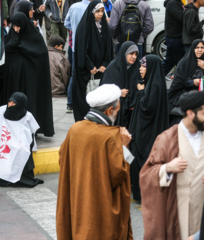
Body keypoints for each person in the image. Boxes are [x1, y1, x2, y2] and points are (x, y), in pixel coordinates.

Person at [56, 84, 133, 239]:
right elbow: (119, 172)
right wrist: (124, 147)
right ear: (110, 110)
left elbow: (62, 158)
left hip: (78, 199)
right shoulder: (111, 137)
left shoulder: (75, 129)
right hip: (99, 205)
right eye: (117, 110)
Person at [140, 91, 204, 240]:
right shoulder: (167, 138)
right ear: (190, 114)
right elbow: (146, 174)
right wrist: (167, 168)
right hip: (178, 210)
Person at [2, 12, 54, 137]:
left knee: (31, 103)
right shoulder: (10, 38)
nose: (16, 29)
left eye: (18, 26)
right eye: (13, 26)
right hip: (15, 81)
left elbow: (40, 56)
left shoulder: (35, 38)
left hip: (31, 82)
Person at [128, 55, 169, 203]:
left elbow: (148, 107)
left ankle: (145, 194)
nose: (140, 68)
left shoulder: (155, 85)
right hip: (146, 130)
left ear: (151, 67)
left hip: (148, 133)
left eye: (143, 66)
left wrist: (141, 91)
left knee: (143, 159)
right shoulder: (150, 82)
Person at [0, 92, 43, 187]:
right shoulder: (0, 112)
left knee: (22, 150)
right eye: (10, 102)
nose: (10, 105)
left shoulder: (27, 116)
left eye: (14, 103)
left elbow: (32, 132)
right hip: (3, 140)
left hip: (19, 142)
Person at [72, 0, 113, 122]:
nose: (100, 14)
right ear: (92, 12)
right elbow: (81, 50)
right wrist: (90, 66)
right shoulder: (83, 27)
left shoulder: (104, 27)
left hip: (101, 69)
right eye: (97, 11)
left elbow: (108, 48)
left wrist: (105, 64)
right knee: (84, 96)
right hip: (86, 69)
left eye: (102, 11)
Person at [100, 41, 140, 128]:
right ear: (124, 53)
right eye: (131, 54)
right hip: (115, 113)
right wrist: (117, 92)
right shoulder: (112, 69)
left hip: (132, 114)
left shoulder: (137, 68)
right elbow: (103, 90)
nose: (134, 57)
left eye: (136, 54)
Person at [168, 39, 204, 125]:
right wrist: (192, 82)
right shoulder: (185, 63)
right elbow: (178, 81)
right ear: (192, 49)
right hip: (185, 93)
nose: (200, 50)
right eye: (197, 47)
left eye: (202, 47)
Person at [64, 0, 91, 112]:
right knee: (89, 73)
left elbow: (67, 23)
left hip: (75, 46)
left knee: (75, 74)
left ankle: (70, 102)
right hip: (89, 47)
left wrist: (75, 30)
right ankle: (86, 101)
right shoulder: (95, 7)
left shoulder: (74, 7)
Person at [162, 0, 185, 75]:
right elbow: (181, 17)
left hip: (176, 37)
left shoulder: (178, 2)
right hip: (174, 38)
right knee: (179, 62)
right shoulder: (172, 3)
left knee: (170, 61)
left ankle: (156, 76)